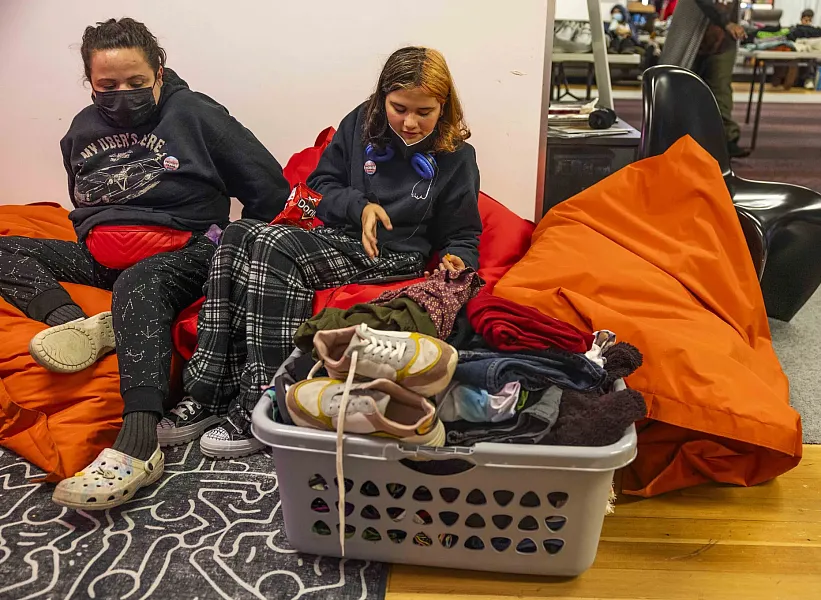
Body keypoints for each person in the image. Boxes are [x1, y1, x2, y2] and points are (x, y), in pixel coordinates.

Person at [0, 18, 289, 510]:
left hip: (188, 252)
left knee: (140, 279)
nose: (122, 94)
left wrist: (232, 255)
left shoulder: (197, 115)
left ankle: (138, 444)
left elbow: (271, 191)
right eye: (107, 85)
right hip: (102, 258)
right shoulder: (81, 128)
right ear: (89, 82)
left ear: (159, 72)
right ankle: (77, 324)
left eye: (136, 82)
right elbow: (86, 200)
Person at [166, 46, 482, 459]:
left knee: (272, 244)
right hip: (340, 234)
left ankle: (265, 399)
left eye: (424, 111)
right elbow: (322, 187)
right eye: (399, 107)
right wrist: (359, 206)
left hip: (394, 253)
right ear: (382, 98)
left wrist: (459, 258)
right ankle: (209, 391)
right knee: (237, 233)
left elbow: (463, 232)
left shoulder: (456, 156)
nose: (410, 121)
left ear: (444, 106)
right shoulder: (360, 123)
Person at [693, 0, 750, 158]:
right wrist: (727, 23)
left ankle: (726, 139)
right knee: (687, 90)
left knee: (720, 90)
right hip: (693, 36)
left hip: (724, 41)